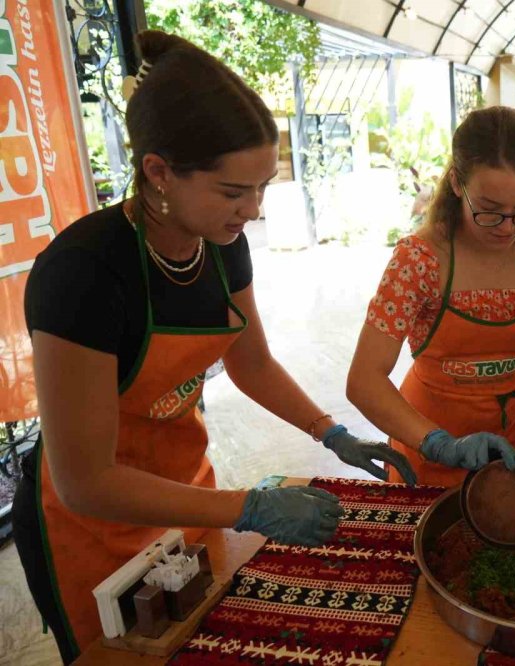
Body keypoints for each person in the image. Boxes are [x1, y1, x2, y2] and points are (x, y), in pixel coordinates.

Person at [12, 31, 415, 663]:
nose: (252, 210)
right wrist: (248, 506)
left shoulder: (222, 245)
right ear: (159, 172)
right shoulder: (85, 274)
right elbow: (86, 480)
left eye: (262, 187)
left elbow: (249, 361)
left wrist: (330, 433)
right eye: (233, 192)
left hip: (186, 495)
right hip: (94, 529)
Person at [347, 106, 515, 487]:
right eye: (489, 210)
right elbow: (364, 380)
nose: (506, 227)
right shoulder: (418, 260)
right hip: (427, 451)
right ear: (455, 184)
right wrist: (437, 443)